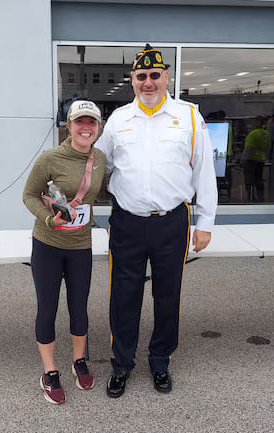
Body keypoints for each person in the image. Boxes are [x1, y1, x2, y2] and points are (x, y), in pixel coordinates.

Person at [95, 44, 217, 398]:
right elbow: (98, 166)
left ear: (167, 77)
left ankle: (160, 359)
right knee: (123, 295)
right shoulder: (118, 119)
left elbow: (204, 171)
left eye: (154, 75)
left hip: (172, 222)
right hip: (127, 223)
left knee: (168, 295)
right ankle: (121, 364)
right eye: (141, 76)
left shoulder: (190, 116)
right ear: (132, 80)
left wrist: (205, 221)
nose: (148, 82)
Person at [23, 100, 105, 404]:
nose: (86, 127)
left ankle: (79, 360)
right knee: (47, 308)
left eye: (92, 122)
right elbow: (29, 195)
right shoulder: (50, 159)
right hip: (48, 244)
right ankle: (50, 371)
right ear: (68, 126)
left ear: (98, 127)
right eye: (79, 122)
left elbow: (97, 193)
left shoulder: (99, 158)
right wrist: (48, 218)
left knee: (79, 306)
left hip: (81, 245)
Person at [243, 116, 271, 201]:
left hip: (250, 160)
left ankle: (250, 198)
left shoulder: (253, 133)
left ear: (258, 123)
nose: (251, 125)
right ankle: (260, 198)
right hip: (261, 160)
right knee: (259, 179)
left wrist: (243, 159)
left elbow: (248, 148)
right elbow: (269, 147)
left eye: (253, 122)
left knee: (249, 180)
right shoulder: (267, 133)